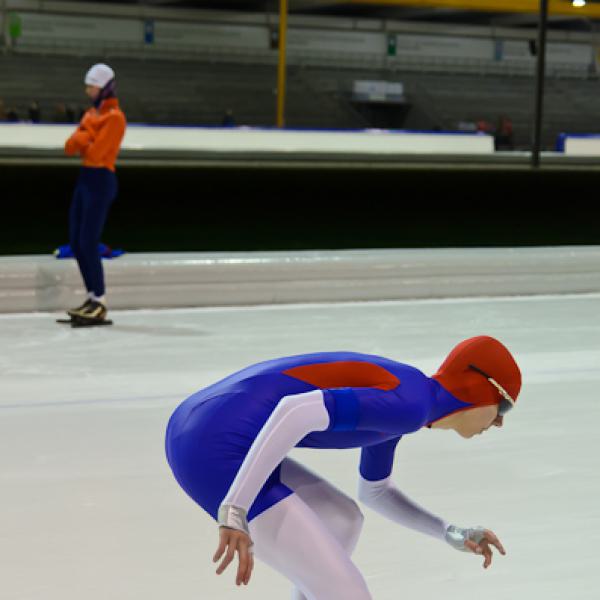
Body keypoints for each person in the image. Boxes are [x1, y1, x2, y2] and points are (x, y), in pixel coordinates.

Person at [165, 335, 521, 599]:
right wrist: (234, 510)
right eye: (503, 409)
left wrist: (450, 532)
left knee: (342, 519)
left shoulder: (412, 404)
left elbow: (375, 491)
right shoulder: (409, 406)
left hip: (206, 428)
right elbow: (296, 410)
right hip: (209, 444)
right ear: (478, 387)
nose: (500, 423)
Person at [63, 63, 126, 326]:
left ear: (103, 87)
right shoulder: (93, 114)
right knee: (77, 241)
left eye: (91, 86)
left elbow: (97, 154)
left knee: (89, 240)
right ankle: (91, 296)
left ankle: (100, 300)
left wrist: (86, 131)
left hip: (101, 180)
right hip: (86, 179)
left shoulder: (114, 118)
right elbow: (69, 147)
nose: (87, 90)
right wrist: (87, 134)